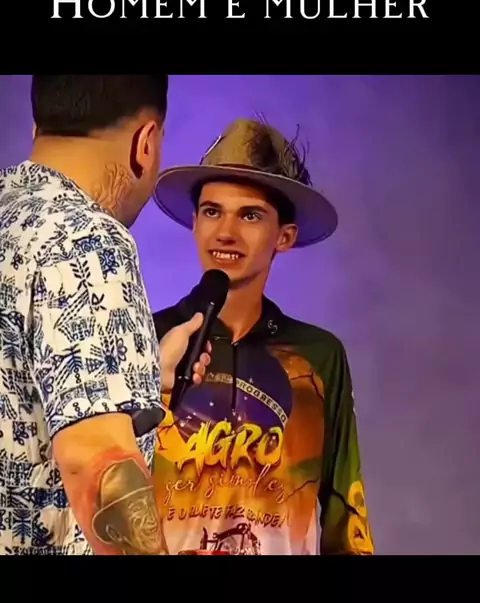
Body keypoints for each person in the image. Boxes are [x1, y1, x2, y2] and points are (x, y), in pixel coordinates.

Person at [0, 75, 210, 556]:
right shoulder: (87, 240)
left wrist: (139, 377)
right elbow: (98, 464)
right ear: (145, 144)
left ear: (38, 125)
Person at [151, 117, 374, 555]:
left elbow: (343, 511)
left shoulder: (317, 357)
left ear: (284, 236)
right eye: (212, 211)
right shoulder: (144, 338)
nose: (225, 232)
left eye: (250, 215)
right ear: (194, 222)